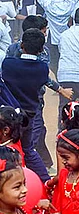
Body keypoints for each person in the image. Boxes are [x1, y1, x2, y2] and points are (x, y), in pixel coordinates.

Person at [1, 28, 50, 182]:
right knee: (28, 149)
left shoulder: (8, 64)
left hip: (7, 116)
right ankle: (46, 180)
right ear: (42, 49)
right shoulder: (43, 68)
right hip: (28, 115)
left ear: (21, 45)